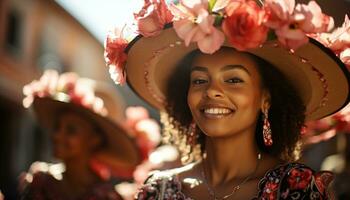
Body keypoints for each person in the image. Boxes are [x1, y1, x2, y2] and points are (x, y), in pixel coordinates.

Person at [104, 0, 350, 199]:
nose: (211, 91)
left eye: (233, 80)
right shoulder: (156, 191)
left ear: (266, 98)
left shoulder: (297, 188)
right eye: (199, 80)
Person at [19, 70, 142, 200]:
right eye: (57, 127)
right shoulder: (40, 182)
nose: (57, 136)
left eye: (71, 130)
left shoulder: (108, 197)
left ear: (94, 140)